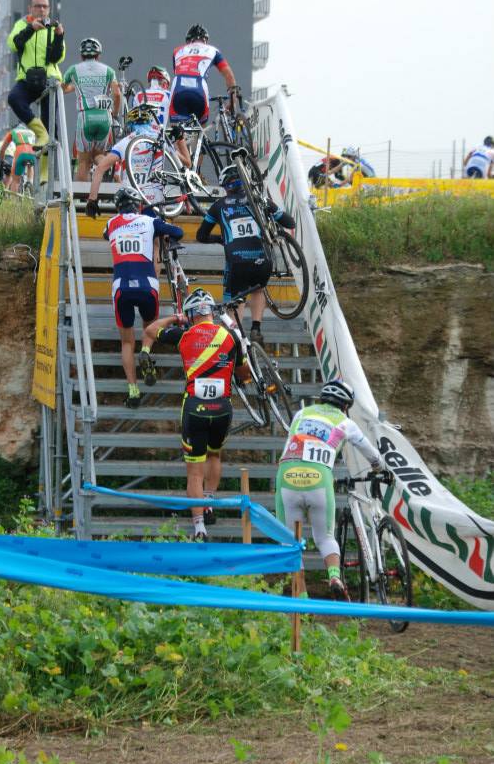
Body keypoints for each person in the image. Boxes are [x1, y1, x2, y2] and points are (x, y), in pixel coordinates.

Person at [140, 288, 250, 541]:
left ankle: (199, 527)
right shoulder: (231, 336)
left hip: (194, 408)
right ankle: (209, 500)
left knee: (194, 472)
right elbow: (244, 374)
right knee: (215, 454)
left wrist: (174, 318)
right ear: (212, 311)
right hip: (222, 408)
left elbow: (149, 331)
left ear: (191, 314)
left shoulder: (184, 334)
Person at [275, 379, 385, 601]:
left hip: (287, 475)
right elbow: (372, 454)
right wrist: (379, 467)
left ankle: (303, 601)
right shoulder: (345, 422)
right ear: (346, 406)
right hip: (319, 478)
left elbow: (289, 443)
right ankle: (334, 576)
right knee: (325, 537)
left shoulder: (302, 414)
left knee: (289, 543)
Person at [196, 163, 295, 346]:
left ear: (225, 187)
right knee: (258, 288)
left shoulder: (218, 206)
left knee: (235, 299)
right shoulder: (259, 199)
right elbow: (290, 222)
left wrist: (221, 239)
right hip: (262, 261)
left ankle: (237, 341)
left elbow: (200, 236)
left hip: (236, 263)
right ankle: (256, 327)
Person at [103, 186, 184, 407]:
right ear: (138, 204)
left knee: (126, 342)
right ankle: (147, 351)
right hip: (148, 285)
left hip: (121, 288)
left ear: (118, 207)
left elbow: (105, 234)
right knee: (150, 329)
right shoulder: (149, 221)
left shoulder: (110, 224)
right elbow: (178, 233)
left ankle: (133, 391)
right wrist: (160, 232)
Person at [85, 105, 191, 218]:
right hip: (155, 200)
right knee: (155, 232)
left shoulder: (124, 143)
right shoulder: (159, 139)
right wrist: (180, 139)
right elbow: (187, 163)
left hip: (132, 200)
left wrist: (92, 200)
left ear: (130, 125)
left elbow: (100, 169)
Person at [7, 0, 66, 183]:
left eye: (44, 6)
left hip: (48, 80)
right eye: (37, 6)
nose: (41, 9)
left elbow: (57, 57)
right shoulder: (22, 24)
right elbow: (14, 44)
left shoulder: (52, 27)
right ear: (30, 8)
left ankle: (45, 174)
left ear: (49, 9)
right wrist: (31, 29)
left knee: (52, 129)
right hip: (27, 78)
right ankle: (39, 133)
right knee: (14, 98)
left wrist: (59, 36)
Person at [62, 37, 122, 181]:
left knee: (83, 162)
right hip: (104, 116)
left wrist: (76, 86)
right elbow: (117, 94)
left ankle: (83, 200)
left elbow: (63, 88)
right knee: (97, 155)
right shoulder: (109, 70)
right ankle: (114, 172)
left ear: (81, 55)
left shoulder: (73, 70)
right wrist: (115, 113)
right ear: (98, 55)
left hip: (85, 116)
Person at [169, 24, 237, 126]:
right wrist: (233, 100)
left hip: (179, 90)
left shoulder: (177, 51)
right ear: (205, 41)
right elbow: (229, 75)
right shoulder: (213, 51)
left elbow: (178, 71)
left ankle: (180, 140)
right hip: (200, 92)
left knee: (177, 133)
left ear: (188, 41)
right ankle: (198, 141)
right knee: (200, 132)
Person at [0, 125, 36, 194]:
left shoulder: (12, 132)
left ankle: (13, 201)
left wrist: (1, 161)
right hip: (32, 153)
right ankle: (30, 181)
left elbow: (2, 150)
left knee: (15, 180)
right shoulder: (32, 132)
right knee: (30, 165)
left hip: (20, 153)